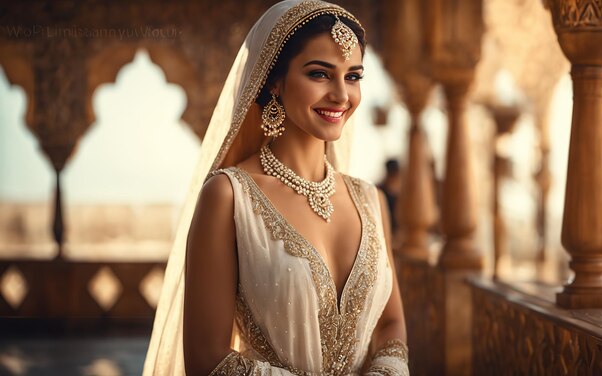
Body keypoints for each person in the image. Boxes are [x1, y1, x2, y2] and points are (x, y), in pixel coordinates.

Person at [143, 1, 408, 375]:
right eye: (320, 74)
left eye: (353, 76)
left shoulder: (370, 200)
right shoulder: (229, 197)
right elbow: (206, 359)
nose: (341, 95)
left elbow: (390, 326)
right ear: (274, 81)